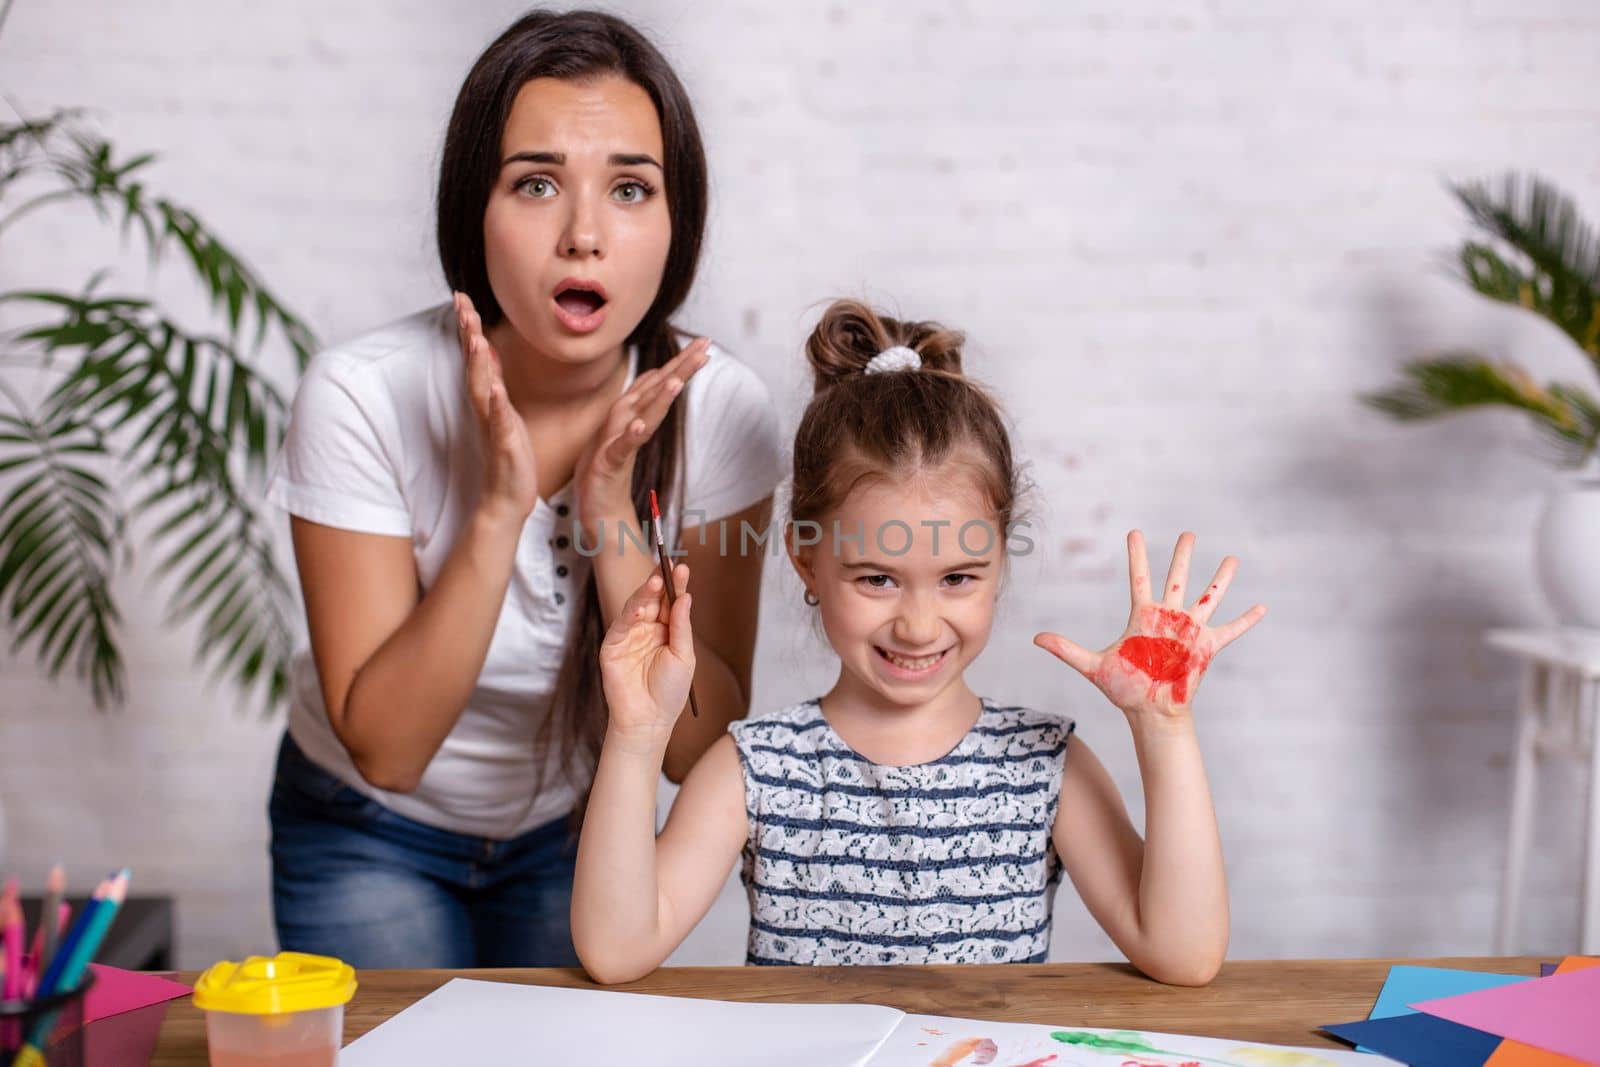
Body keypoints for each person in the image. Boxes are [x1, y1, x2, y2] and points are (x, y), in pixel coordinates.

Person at [264, 9, 782, 968]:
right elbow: (389, 748)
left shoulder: (721, 411)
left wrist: (608, 513)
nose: (583, 235)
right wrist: (500, 508)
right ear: (474, 209)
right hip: (363, 828)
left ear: (679, 223)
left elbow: (693, 750)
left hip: (572, 831)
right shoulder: (360, 396)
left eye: (631, 188)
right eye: (536, 183)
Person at [571, 299, 1266, 983]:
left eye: (959, 577)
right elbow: (617, 948)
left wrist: (1164, 727)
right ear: (806, 558)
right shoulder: (755, 768)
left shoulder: (1047, 767)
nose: (919, 623)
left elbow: (1184, 952)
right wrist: (637, 732)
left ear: (1001, 562)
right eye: (878, 578)